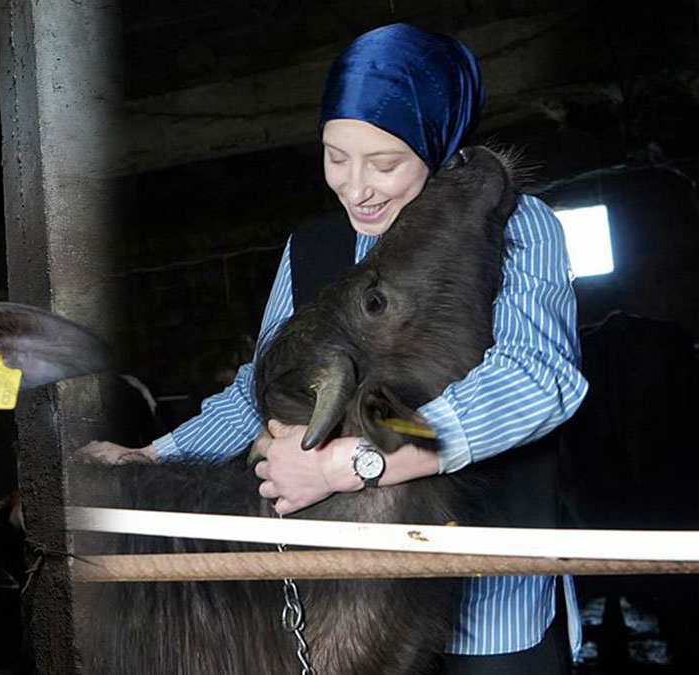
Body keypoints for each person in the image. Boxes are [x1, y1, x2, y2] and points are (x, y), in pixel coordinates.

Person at [83, 23, 588, 674]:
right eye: (335, 157)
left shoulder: (514, 224)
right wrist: (151, 453)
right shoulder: (313, 248)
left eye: (385, 163)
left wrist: (354, 462)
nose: (355, 187)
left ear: (437, 143)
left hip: (489, 603)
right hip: (352, 597)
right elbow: (262, 390)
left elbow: (536, 378)